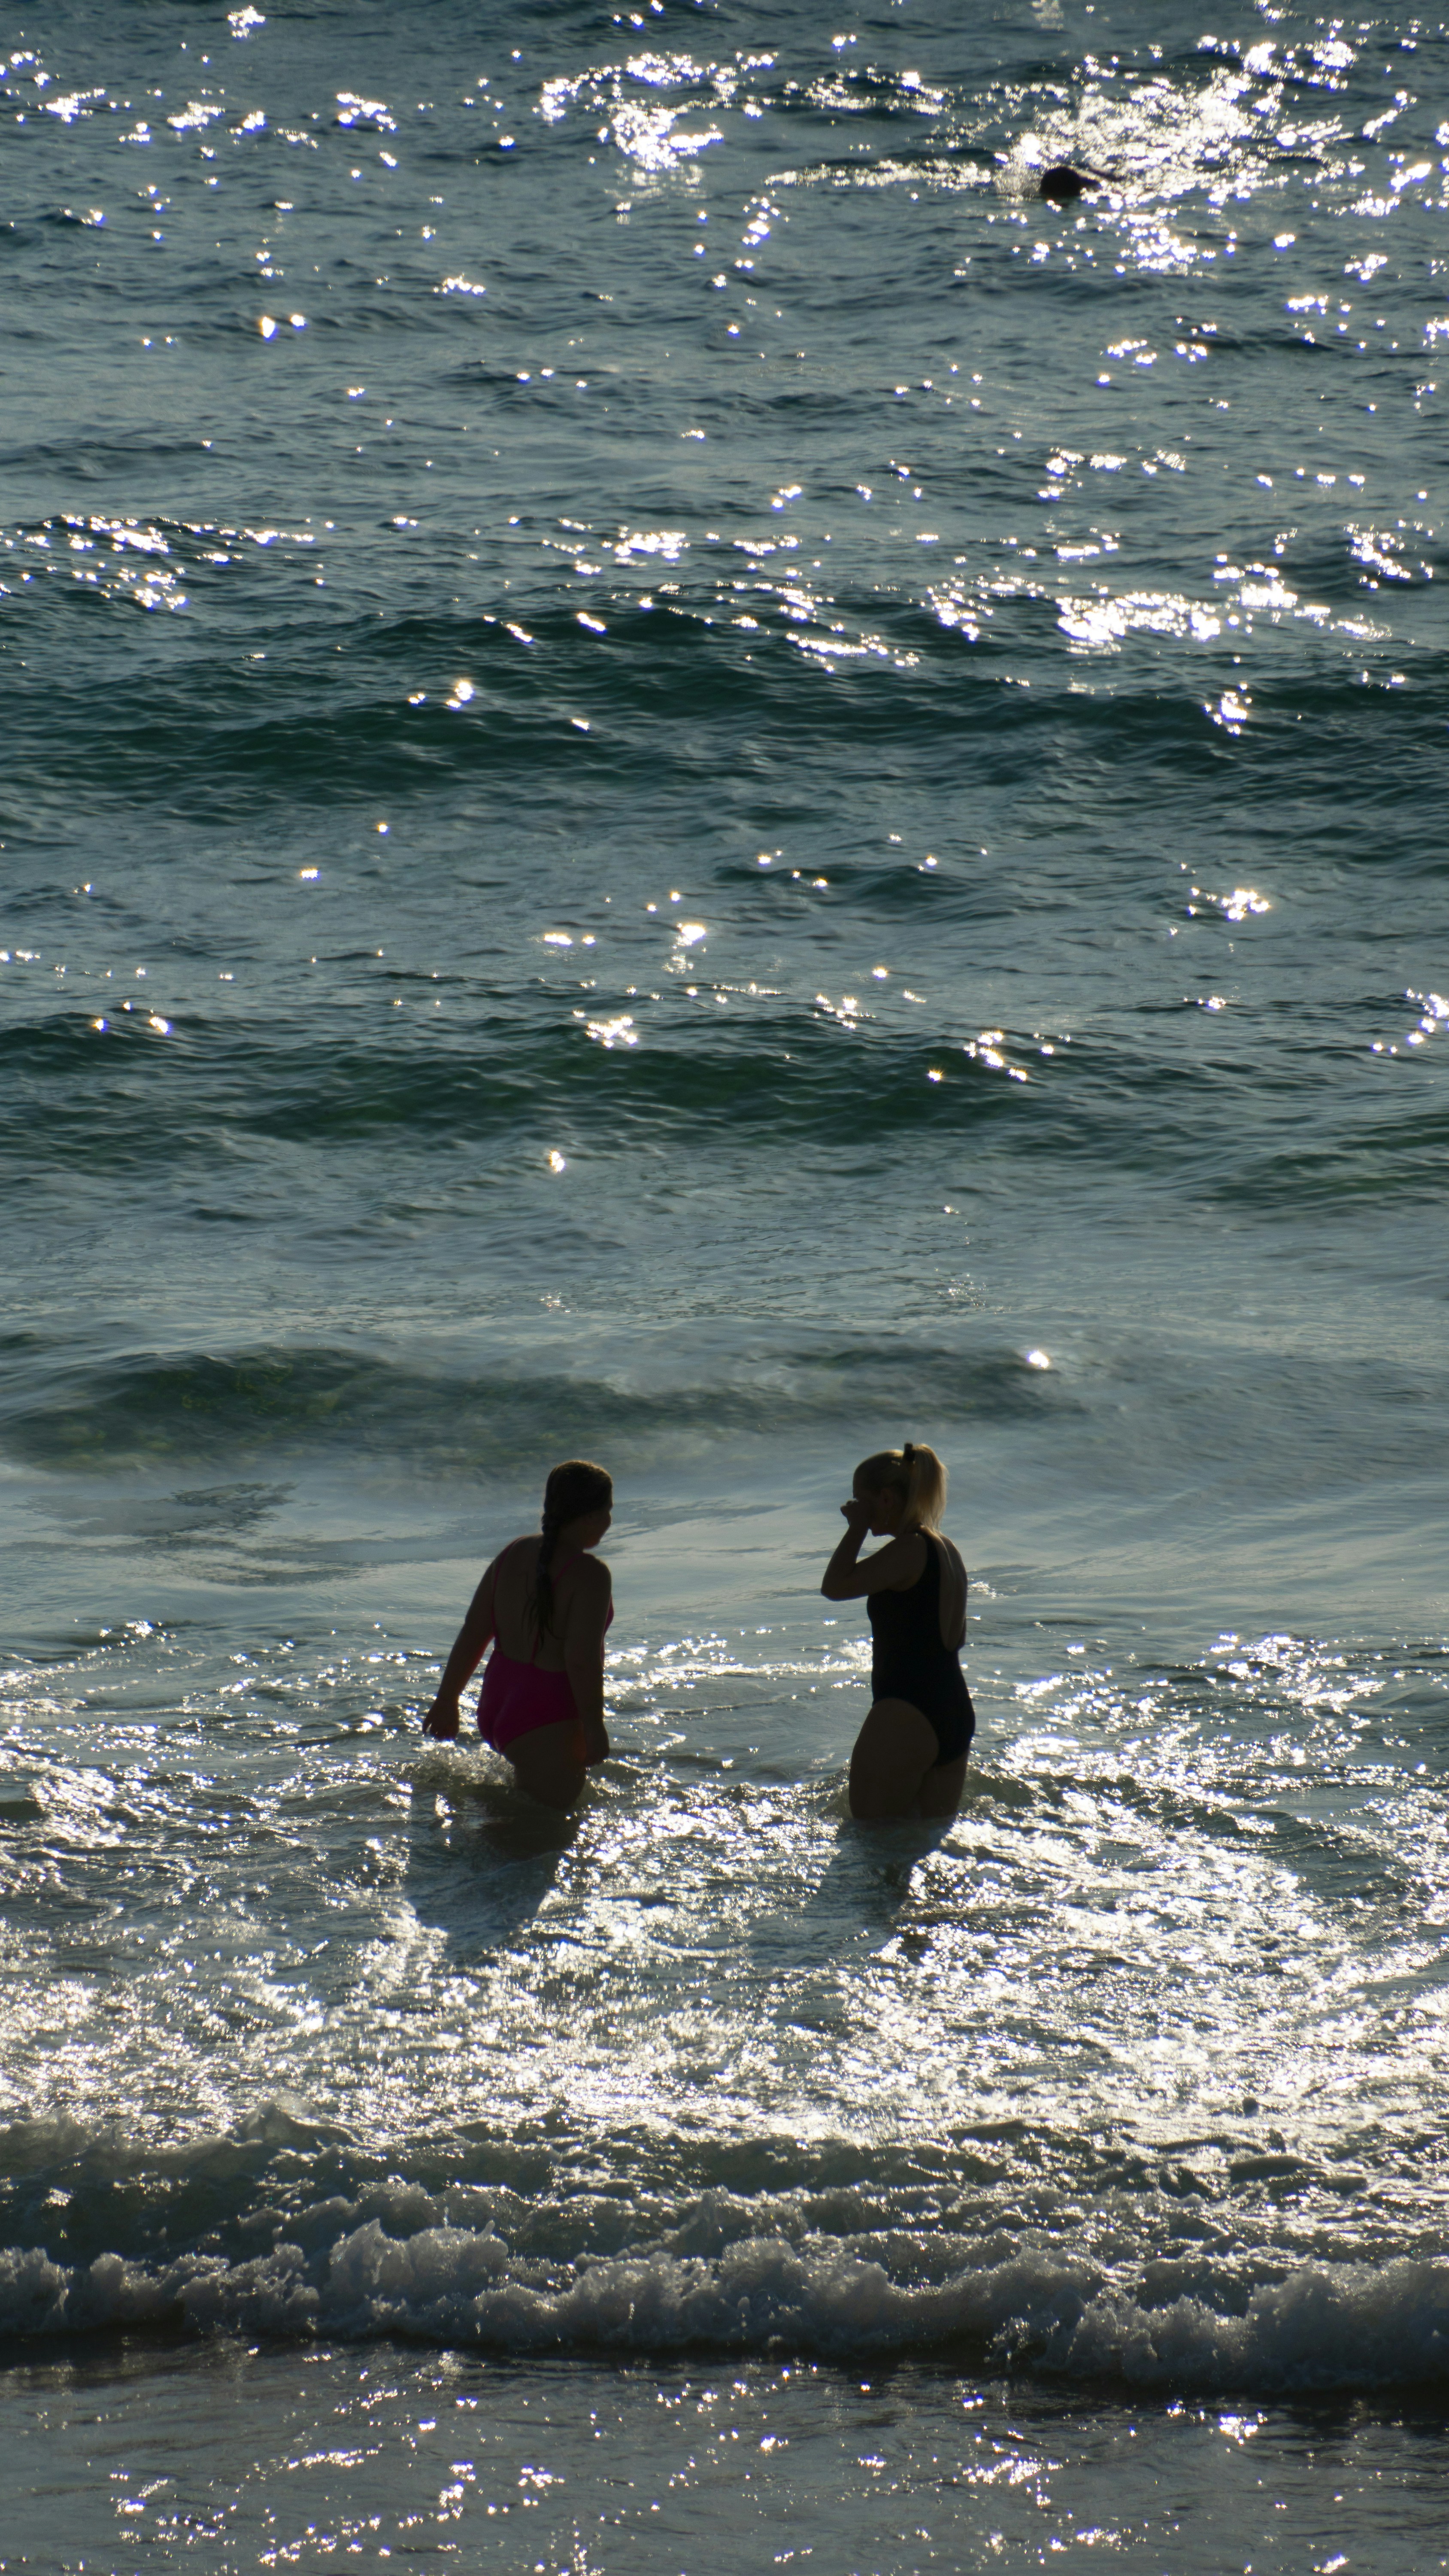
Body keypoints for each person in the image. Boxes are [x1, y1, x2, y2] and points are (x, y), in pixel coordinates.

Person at [422, 1458, 614, 1812]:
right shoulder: (590, 1575)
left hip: (498, 1701)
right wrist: (594, 1727)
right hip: (546, 1713)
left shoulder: (513, 1552)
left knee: (511, 1828)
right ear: (593, 1517)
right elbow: (581, 1659)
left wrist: (447, 1699)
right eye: (608, 1511)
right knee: (543, 1847)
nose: (609, 1522)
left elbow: (474, 1631)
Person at [820, 1442, 974, 1822]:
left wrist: (856, 1530)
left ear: (885, 1499)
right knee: (919, 1845)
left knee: (873, 1846)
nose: (853, 1508)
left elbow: (835, 1586)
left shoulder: (910, 1550)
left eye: (860, 1500)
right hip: (953, 1712)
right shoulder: (947, 1551)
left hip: (906, 1713)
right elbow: (955, 1636)